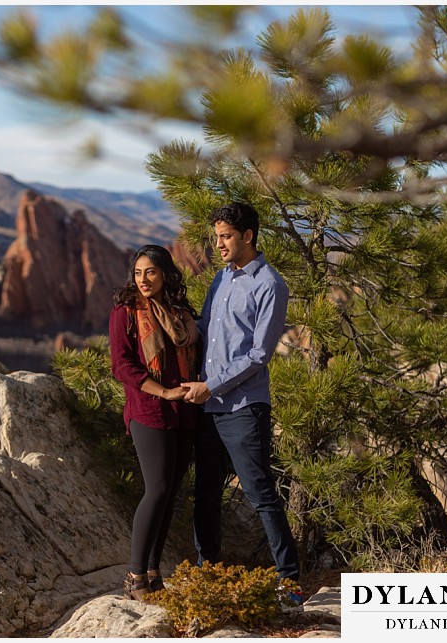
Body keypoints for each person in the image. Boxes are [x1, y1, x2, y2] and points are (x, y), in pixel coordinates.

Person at [182, 202, 302, 601]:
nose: (218, 244)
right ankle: (206, 574)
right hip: (209, 406)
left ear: (247, 236)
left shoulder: (270, 284)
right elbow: (205, 327)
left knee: (260, 493)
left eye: (225, 237)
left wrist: (210, 386)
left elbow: (258, 355)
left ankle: (290, 581)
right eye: (216, 237)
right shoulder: (221, 279)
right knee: (206, 493)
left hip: (243, 407)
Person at [109, 244, 203, 601]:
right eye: (137, 272)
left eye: (150, 272)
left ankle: (152, 572)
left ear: (164, 273)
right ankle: (134, 577)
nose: (143, 279)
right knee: (158, 489)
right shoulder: (126, 311)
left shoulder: (179, 312)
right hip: (150, 410)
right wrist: (163, 393)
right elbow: (122, 365)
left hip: (185, 412)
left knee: (169, 494)